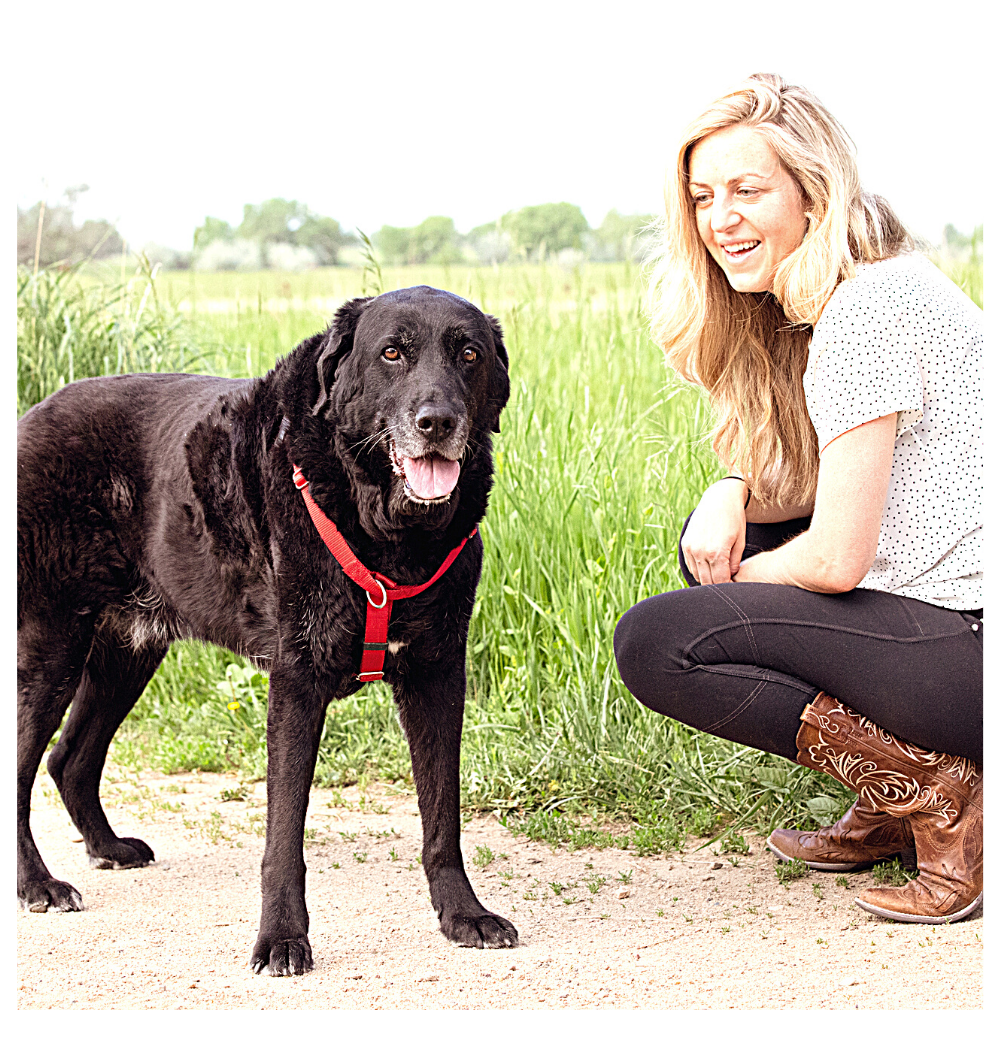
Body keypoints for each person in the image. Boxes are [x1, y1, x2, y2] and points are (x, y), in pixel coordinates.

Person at [613, 73, 982, 925]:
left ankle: (937, 792)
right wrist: (731, 487)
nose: (720, 219)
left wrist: (738, 586)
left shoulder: (862, 314)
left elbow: (837, 555)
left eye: (748, 190)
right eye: (704, 197)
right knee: (712, 545)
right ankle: (893, 792)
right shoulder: (872, 286)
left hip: (971, 643)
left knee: (659, 641)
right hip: (954, 623)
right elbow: (815, 483)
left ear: (813, 194)